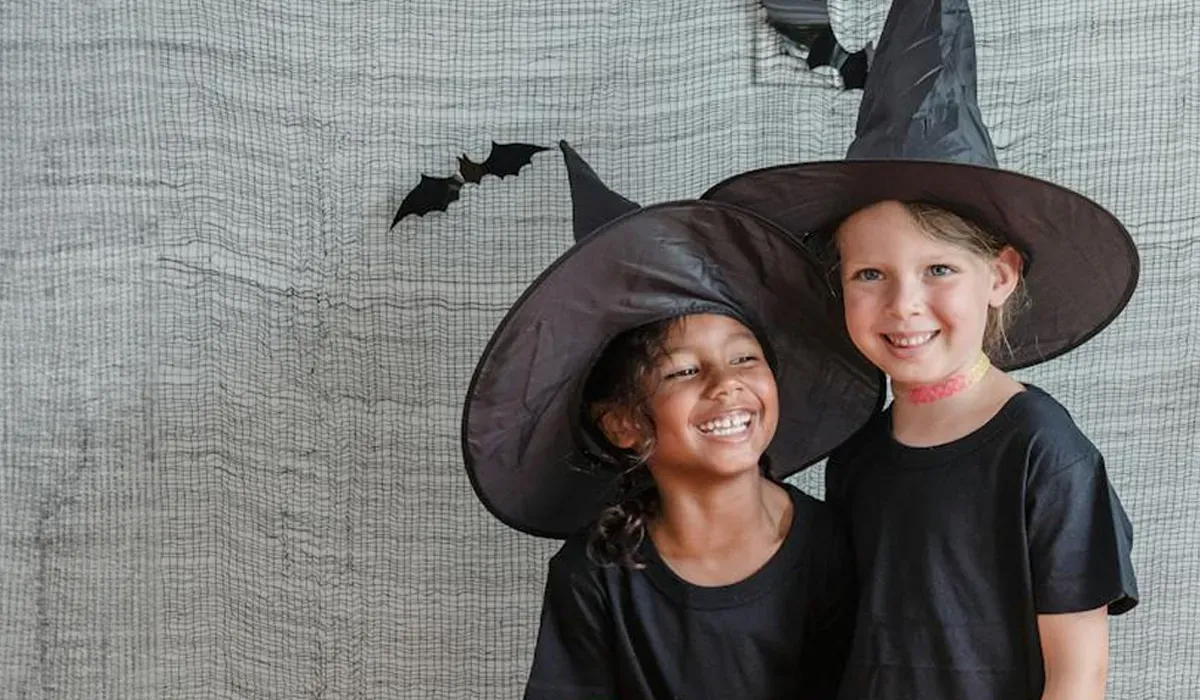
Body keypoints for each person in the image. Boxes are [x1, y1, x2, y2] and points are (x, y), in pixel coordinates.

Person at [702, 0, 1141, 697]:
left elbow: (1079, 674)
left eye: (938, 270)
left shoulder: (1042, 450)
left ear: (999, 275)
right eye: (869, 274)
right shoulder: (856, 454)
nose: (903, 305)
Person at [460, 144, 885, 699]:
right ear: (621, 424)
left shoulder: (835, 546)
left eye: (744, 358)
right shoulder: (594, 575)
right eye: (682, 371)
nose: (726, 383)